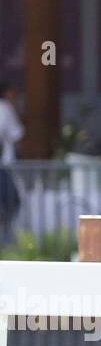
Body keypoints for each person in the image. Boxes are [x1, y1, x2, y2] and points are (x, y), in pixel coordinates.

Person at [0, 80, 24, 244]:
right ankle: (6, 239)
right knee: (11, 203)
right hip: (4, 166)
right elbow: (17, 136)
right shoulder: (5, 109)